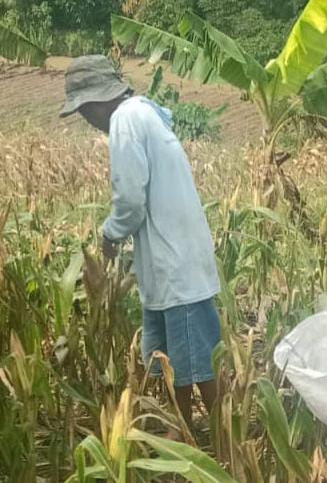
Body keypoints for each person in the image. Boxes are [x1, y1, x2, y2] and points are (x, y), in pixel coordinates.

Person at [60, 55, 221, 432]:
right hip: (168, 265)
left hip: (175, 267)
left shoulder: (126, 120)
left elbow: (131, 200)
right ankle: (180, 435)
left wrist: (110, 236)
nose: (87, 119)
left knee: (195, 366)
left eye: (84, 110)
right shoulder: (143, 113)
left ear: (97, 101)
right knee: (172, 364)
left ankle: (224, 440)